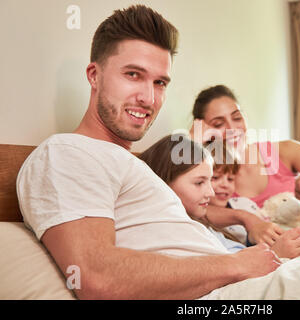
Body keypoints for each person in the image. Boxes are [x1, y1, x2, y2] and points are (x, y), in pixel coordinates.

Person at [16, 5, 281, 300]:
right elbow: (97, 277)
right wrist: (236, 265)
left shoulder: (136, 166)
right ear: (94, 75)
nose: (148, 98)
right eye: (133, 74)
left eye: (160, 82)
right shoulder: (67, 153)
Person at [190, 84, 300, 246]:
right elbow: (189, 209)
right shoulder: (212, 180)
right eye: (218, 124)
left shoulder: (286, 151)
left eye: (237, 118)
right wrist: (193, 144)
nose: (232, 129)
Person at [139, 134, 300, 259]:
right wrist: (276, 254)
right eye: (200, 183)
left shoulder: (205, 224)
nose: (211, 192)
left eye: (210, 180)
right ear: (163, 183)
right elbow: (229, 269)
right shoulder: (178, 233)